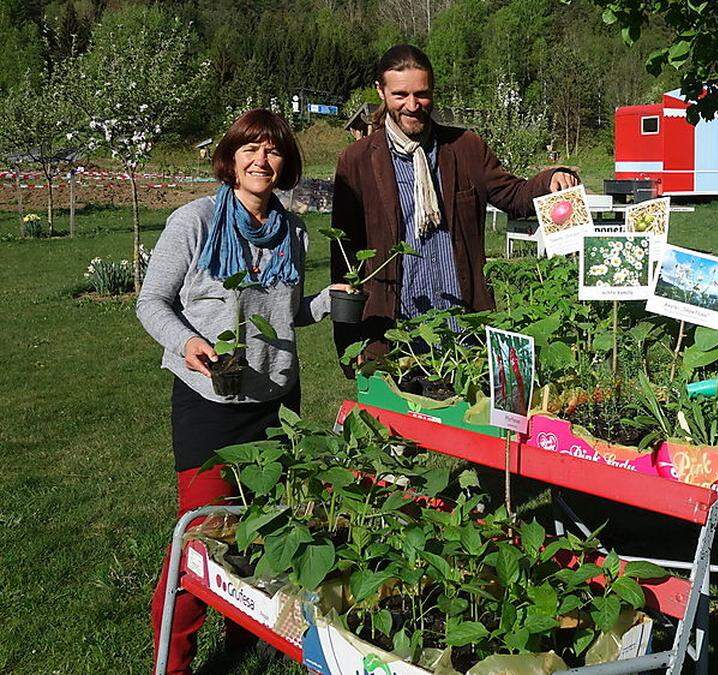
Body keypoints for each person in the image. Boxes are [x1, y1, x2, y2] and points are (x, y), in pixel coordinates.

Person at [138, 109, 347, 674]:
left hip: (277, 401)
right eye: (249, 149)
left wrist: (326, 300)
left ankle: (245, 632)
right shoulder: (196, 221)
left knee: (264, 530)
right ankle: (173, 660)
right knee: (201, 537)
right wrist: (186, 343)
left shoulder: (294, 232)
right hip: (210, 402)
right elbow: (151, 301)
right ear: (230, 160)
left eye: (273, 151)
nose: (261, 160)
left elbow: (285, 313)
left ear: (285, 165)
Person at [331, 44, 581, 365]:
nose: (412, 105)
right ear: (381, 91)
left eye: (421, 94)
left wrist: (550, 180)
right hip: (395, 336)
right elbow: (343, 256)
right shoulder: (358, 161)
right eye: (400, 95)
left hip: (464, 332)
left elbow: (513, 196)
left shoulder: (465, 147)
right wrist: (351, 342)